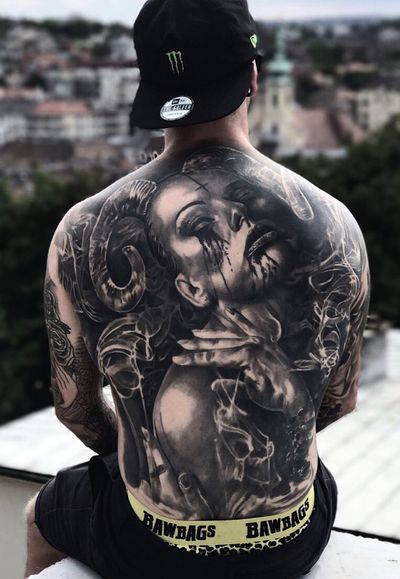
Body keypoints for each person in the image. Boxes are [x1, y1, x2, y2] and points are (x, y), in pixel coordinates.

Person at [25, 0, 370, 577]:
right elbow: (339, 400)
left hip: (149, 544)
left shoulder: (80, 230)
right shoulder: (337, 225)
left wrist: (144, 451)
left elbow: (76, 410)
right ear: (253, 76)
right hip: (291, 540)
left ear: (150, 88)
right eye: (202, 229)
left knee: (41, 514)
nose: (235, 227)